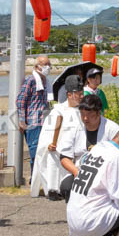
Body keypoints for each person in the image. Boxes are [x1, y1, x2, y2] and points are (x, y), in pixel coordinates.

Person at [57, 91, 119, 202]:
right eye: (82, 115)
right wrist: (76, 172)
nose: (85, 119)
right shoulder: (73, 127)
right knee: (66, 186)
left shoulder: (112, 129)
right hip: (79, 172)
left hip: (106, 174)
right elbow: (64, 157)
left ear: (99, 112)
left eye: (89, 115)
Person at [29, 69, 82, 200]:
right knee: (53, 154)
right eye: (78, 94)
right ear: (69, 95)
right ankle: (53, 189)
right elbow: (47, 132)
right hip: (58, 148)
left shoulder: (83, 111)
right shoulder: (58, 111)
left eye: (82, 93)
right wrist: (49, 144)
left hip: (76, 148)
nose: (81, 96)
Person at [16, 55, 51, 172]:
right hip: (33, 122)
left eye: (49, 64)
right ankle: (33, 179)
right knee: (35, 152)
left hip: (45, 122)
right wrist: (21, 121)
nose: (48, 67)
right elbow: (21, 100)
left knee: (44, 152)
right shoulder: (31, 80)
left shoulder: (46, 82)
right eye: (46, 65)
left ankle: (40, 180)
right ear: (37, 67)